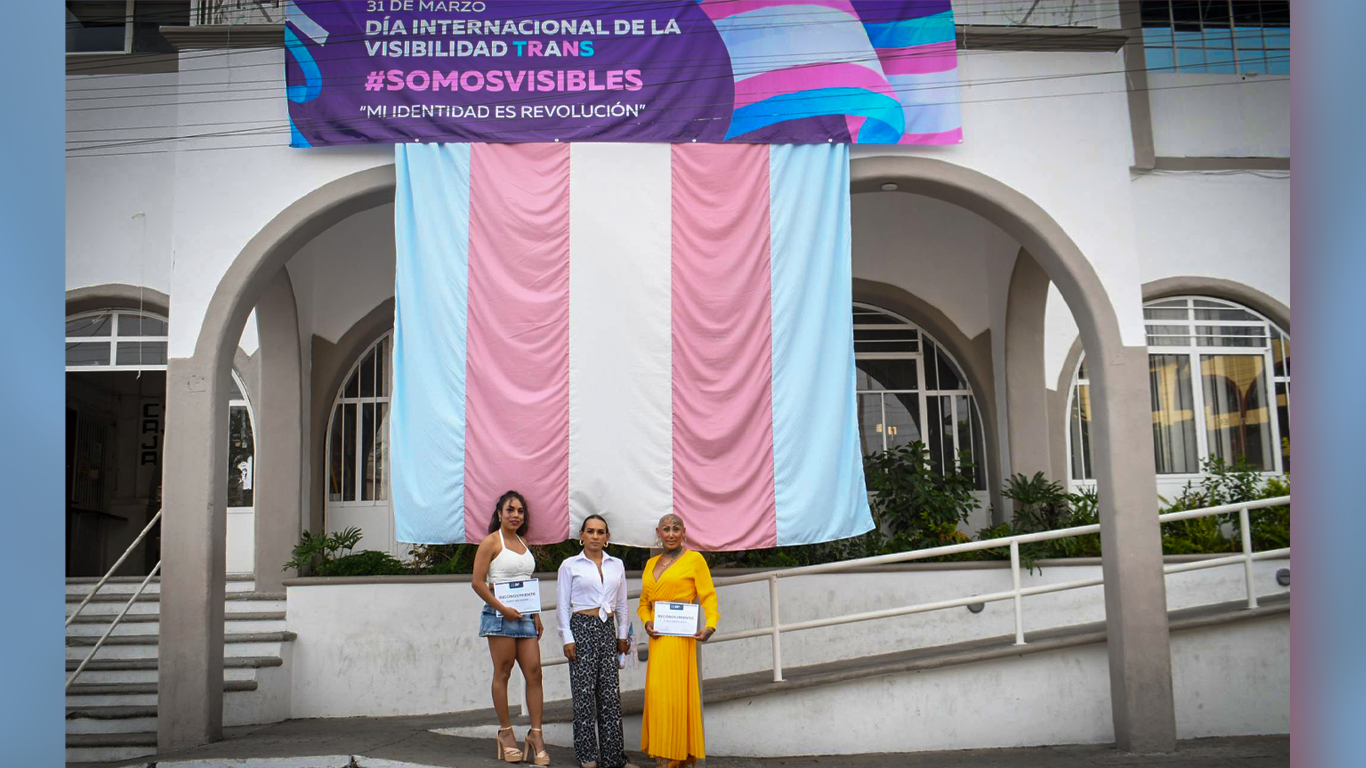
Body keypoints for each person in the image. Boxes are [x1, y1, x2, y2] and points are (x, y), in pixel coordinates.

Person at [472, 490, 550, 765]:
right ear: (499, 513)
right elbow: (478, 582)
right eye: (510, 510)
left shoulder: (523, 542)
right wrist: (503, 608)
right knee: (503, 673)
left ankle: (536, 735)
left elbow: (526, 580)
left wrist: (536, 613)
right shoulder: (491, 542)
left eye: (520, 511)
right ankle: (506, 733)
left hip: (526, 617)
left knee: (534, 673)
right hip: (499, 616)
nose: (516, 515)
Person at [557, 515, 640, 768]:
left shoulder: (617, 565)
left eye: (600, 532)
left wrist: (622, 636)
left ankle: (615, 758)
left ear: (607, 537)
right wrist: (567, 638)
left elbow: (623, 604)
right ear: (581, 535)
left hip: (608, 630)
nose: (595, 536)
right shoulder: (570, 565)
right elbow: (562, 605)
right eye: (590, 531)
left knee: (610, 696)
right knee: (584, 695)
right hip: (582, 628)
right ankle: (587, 756)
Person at [637, 514, 718, 768]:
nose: (670, 533)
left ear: (684, 532)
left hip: (681, 642)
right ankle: (662, 755)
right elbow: (643, 604)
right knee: (658, 698)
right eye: (666, 529)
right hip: (658, 640)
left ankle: (673, 758)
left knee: (676, 699)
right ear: (658, 532)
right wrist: (647, 621)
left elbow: (708, 595)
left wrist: (710, 624)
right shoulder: (650, 564)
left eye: (676, 529)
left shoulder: (695, 560)